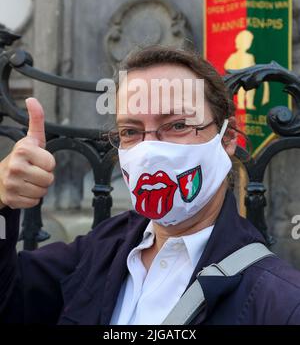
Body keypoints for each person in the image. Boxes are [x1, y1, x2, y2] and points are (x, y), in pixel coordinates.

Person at [0, 45, 299, 325]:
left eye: (178, 125)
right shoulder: (99, 249)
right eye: (130, 131)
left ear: (228, 138)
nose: (150, 151)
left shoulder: (279, 303)